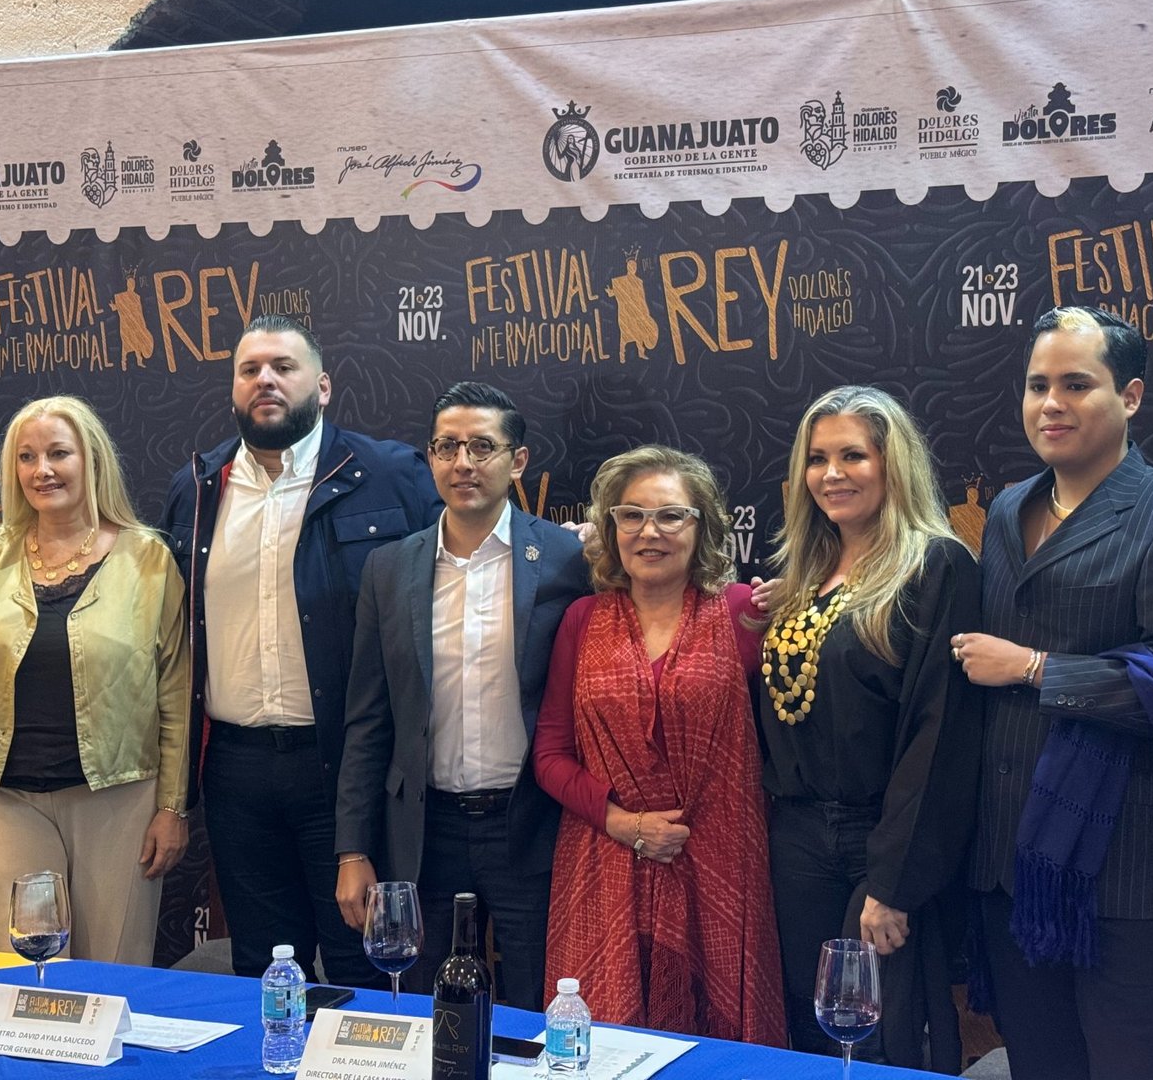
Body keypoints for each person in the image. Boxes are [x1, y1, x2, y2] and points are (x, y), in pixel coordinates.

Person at [954, 306, 1153, 1080]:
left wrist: (1036, 668)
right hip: (1018, 870)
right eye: (1038, 384)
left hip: (1133, 877)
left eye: (1078, 384)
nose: (1052, 402)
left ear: (1132, 397)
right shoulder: (1008, 507)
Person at [161, 315, 440, 983]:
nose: (265, 379)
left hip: (345, 769)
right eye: (250, 368)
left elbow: (462, 571)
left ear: (322, 384)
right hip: (235, 772)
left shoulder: (388, 474)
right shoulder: (197, 489)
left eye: (283, 367)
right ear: (232, 389)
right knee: (263, 971)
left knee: (364, 969)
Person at [334, 382, 589, 1009]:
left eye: (482, 447)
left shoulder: (565, 559)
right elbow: (367, 722)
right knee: (428, 1006)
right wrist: (352, 849)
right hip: (425, 829)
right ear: (430, 457)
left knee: (537, 1002)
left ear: (518, 461)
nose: (463, 463)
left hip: (530, 822)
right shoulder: (390, 569)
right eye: (447, 447)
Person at [0, 395, 188, 965]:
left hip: (119, 800)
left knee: (114, 976)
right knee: (26, 980)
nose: (42, 470)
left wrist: (172, 807)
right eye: (26, 457)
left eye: (58, 453)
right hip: (5, 799)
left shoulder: (150, 559)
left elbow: (176, 697)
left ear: (91, 460)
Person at [759, 385, 982, 1068]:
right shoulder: (801, 577)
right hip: (794, 838)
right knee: (812, 1031)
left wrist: (894, 881)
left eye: (853, 455)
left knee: (883, 1037)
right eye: (817, 458)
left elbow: (937, 736)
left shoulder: (934, 564)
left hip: (879, 842)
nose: (832, 474)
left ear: (892, 465)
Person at [532, 446, 786, 1045]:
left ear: (703, 528)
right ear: (610, 528)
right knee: (605, 1034)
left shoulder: (746, 614)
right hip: (604, 857)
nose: (650, 531)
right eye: (631, 515)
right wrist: (622, 821)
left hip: (719, 862)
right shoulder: (582, 620)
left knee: (721, 1044)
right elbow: (549, 753)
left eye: (672, 515)